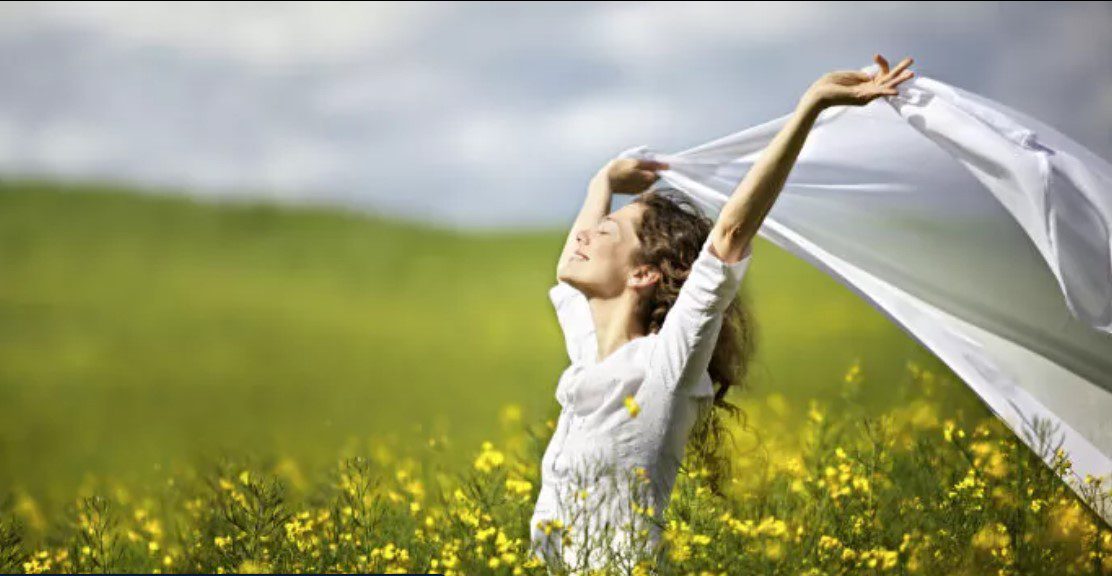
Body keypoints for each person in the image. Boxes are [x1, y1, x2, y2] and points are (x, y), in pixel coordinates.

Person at [530, 54, 917, 573]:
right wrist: (601, 181)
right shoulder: (590, 363)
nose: (584, 234)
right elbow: (564, 272)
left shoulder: (663, 371)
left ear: (643, 275)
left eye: (606, 232)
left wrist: (810, 108)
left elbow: (730, 236)